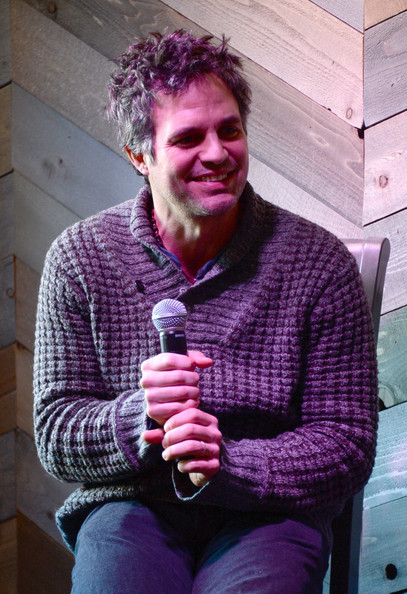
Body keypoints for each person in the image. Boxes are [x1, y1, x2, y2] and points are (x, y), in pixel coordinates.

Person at [33, 30, 378, 593]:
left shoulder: (317, 263)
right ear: (138, 155)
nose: (217, 153)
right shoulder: (80, 259)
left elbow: (347, 441)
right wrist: (139, 417)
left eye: (230, 130)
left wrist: (229, 463)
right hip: (131, 509)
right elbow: (55, 433)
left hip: (267, 516)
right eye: (189, 137)